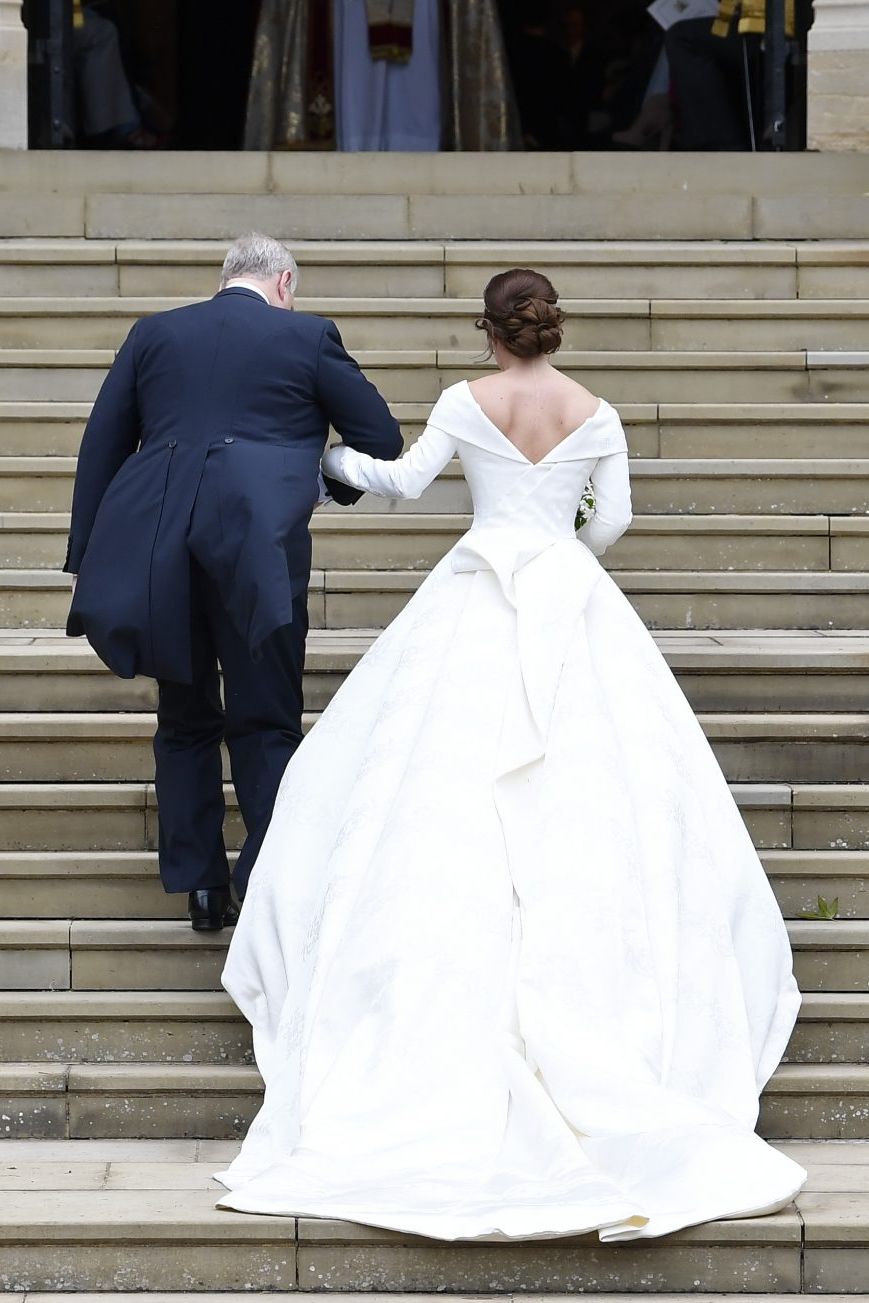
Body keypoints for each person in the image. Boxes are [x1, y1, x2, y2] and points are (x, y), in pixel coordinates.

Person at [215, 269, 806, 1239]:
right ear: (549, 332)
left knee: (420, 794)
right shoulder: (595, 410)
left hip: (476, 591)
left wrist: (330, 464)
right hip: (567, 598)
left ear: (488, 333)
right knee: (598, 795)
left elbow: (402, 482)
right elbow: (609, 520)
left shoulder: (464, 399)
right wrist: (560, 541)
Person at [63, 234, 402, 932]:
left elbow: (102, 442)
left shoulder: (154, 333)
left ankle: (201, 887)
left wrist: (87, 552)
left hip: (160, 547)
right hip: (258, 550)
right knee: (266, 719)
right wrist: (310, 482)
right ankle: (266, 881)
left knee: (184, 719)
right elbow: (380, 435)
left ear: (227, 279)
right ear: (282, 284)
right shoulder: (307, 337)